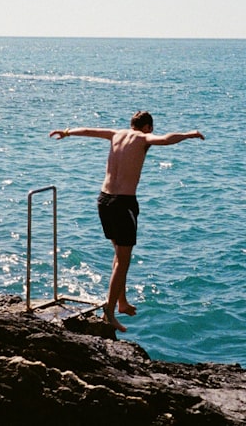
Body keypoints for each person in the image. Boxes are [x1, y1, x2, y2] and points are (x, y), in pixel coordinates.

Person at [49, 111, 204, 332]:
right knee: (123, 259)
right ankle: (109, 312)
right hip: (123, 204)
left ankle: (121, 302)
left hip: (103, 199)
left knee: (119, 255)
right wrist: (190, 134)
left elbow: (89, 130)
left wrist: (66, 132)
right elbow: (167, 139)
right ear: (148, 127)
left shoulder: (115, 134)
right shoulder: (143, 138)